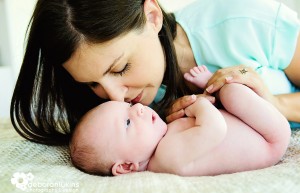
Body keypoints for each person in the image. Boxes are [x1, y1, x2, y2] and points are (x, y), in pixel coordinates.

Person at [11, 0, 300, 145]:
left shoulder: (244, 20)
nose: (115, 98)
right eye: (91, 84)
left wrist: (275, 105)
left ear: (152, 17)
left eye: (121, 68)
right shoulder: (129, 115)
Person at [70, 66, 291, 176]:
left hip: (258, 129)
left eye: (129, 106)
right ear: (127, 166)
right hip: (271, 139)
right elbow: (215, 128)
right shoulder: (166, 157)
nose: (138, 108)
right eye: (127, 123)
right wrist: (199, 103)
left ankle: (214, 87)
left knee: (231, 94)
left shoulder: (163, 141)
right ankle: (214, 87)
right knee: (232, 92)